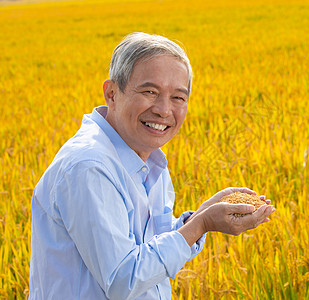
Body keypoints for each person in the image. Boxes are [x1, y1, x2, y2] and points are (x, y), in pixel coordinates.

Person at [28, 32, 275, 300]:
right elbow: (124, 278)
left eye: (178, 97)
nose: (163, 110)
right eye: (150, 92)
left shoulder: (148, 158)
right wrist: (201, 224)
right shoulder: (89, 167)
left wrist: (197, 218)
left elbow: (149, 249)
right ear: (112, 93)